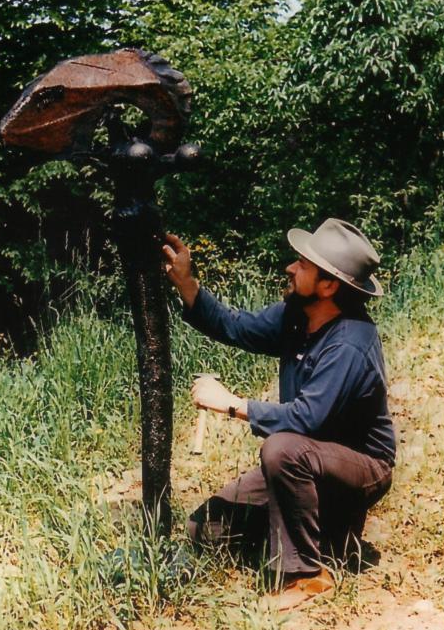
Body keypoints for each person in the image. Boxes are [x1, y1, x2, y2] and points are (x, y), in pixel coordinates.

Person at [162, 218, 396, 609]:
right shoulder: (296, 317)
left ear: (328, 285)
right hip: (308, 457)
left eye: (303, 265)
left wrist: (231, 403)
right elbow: (235, 327)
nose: (291, 268)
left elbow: (306, 420)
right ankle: (326, 533)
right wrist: (186, 282)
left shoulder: (351, 343)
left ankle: (307, 575)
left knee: (281, 449)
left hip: (359, 467)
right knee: (207, 528)